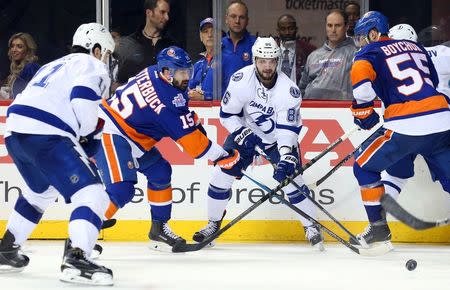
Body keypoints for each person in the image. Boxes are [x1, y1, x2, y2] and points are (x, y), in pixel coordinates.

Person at [0, 23, 116, 285]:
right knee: (92, 193)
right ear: (95, 49)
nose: (106, 59)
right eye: (105, 52)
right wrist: (90, 131)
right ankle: (78, 258)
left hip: (15, 130)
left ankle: (6, 247)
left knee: (40, 192)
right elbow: (83, 101)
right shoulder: (92, 64)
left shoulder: (53, 65)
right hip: (46, 132)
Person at [95, 46, 240, 251]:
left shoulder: (154, 71)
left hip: (131, 134)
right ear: (167, 73)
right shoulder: (166, 100)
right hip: (110, 131)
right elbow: (195, 147)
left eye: (187, 72)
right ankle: (81, 237)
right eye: (181, 73)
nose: (186, 77)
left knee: (160, 172)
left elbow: (179, 111)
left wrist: (191, 121)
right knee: (121, 189)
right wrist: (223, 156)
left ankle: (158, 230)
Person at [192, 37, 324, 250]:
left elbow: (287, 130)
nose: (268, 66)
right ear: (255, 60)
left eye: (272, 61)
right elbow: (227, 115)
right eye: (263, 61)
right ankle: (213, 224)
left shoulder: (289, 91)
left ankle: (311, 225)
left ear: (278, 60)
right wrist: (241, 132)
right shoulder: (240, 80)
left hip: (275, 140)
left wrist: (285, 156)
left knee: (292, 180)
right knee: (221, 175)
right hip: (245, 132)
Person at [349, 11, 450, 248]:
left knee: (363, 166)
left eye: (363, 36)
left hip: (406, 125)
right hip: (443, 120)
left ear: (373, 33)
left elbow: (362, 89)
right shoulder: (417, 49)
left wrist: (363, 112)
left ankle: (378, 229)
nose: (361, 42)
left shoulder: (368, 52)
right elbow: (432, 82)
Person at [114, 0, 178, 87]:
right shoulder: (129, 44)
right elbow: (118, 83)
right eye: (162, 12)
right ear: (149, 13)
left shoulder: (172, 46)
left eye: (167, 13)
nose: (167, 17)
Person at [298, 10, 357, 100]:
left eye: (337, 25)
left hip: (342, 110)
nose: (333, 30)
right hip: (311, 109)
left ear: (347, 27)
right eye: (330, 25)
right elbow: (301, 88)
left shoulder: (355, 54)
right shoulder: (313, 56)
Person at [222, 0, 256, 96]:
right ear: (226, 19)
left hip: (249, 104)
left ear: (247, 21)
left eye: (241, 17)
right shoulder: (218, 46)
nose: (237, 21)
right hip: (221, 103)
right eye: (233, 16)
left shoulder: (256, 45)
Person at [275, 14, 316, 84]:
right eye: (283, 29)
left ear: (296, 29)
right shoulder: (272, 49)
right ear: (278, 31)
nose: (287, 33)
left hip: (300, 92)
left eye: (290, 28)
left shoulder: (309, 50)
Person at [1, 33, 40, 100]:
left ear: (28, 49)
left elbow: (36, 93)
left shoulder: (31, 67)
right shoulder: (19, 69)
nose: (14, 50)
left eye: (19, 46)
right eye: (12, 46)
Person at [188, 17, 215, 101]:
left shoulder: (225, 60)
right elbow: (188, 88)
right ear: (201, 37)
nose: (210, 35)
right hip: (199, 111)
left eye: (213, 31)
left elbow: (232, 92)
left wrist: (205, 96)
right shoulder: (197, 64)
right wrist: (190, 93)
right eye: (206, 32)